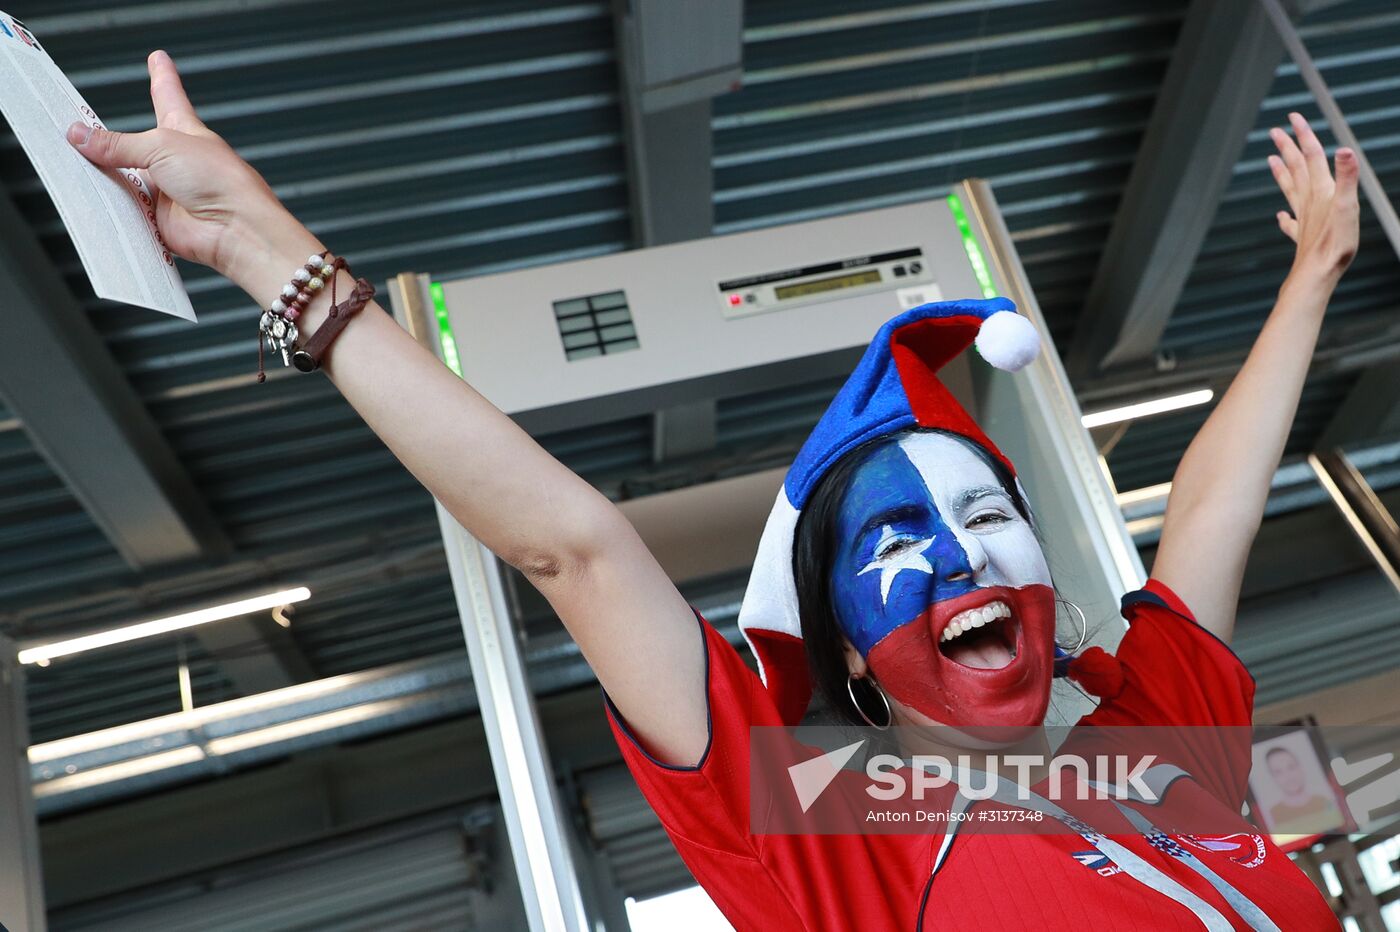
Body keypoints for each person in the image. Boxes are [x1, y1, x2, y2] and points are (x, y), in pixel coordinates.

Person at [67, 51, 1358, 930]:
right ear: (852, 656)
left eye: (985, 520)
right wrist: (274, 257)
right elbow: (575, 551)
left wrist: (1310, 275)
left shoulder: (1147, 743)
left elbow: (1206, 512)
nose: (965, 560)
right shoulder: (831, 835)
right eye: (905, 537)